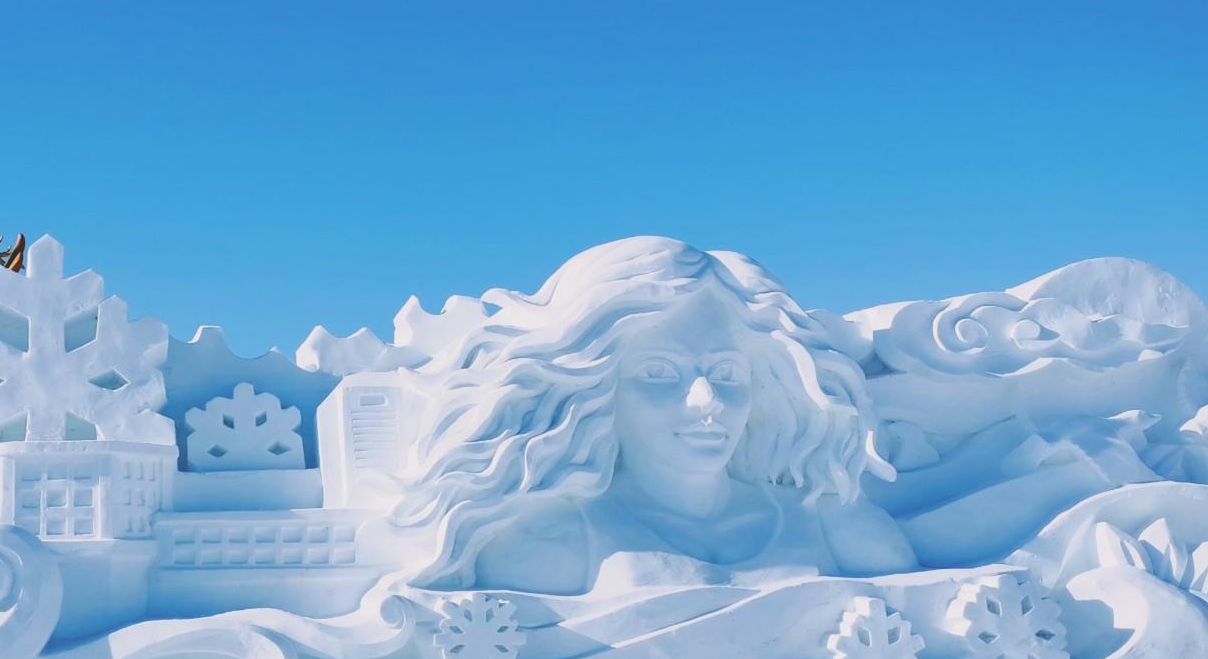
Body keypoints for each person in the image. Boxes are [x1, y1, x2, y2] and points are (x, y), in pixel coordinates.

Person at [387, 237, 917, 593]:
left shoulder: (839, 526)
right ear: (596, 389)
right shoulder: (544, 547)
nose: (706, 401)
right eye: (661, 373)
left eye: (728, 374)